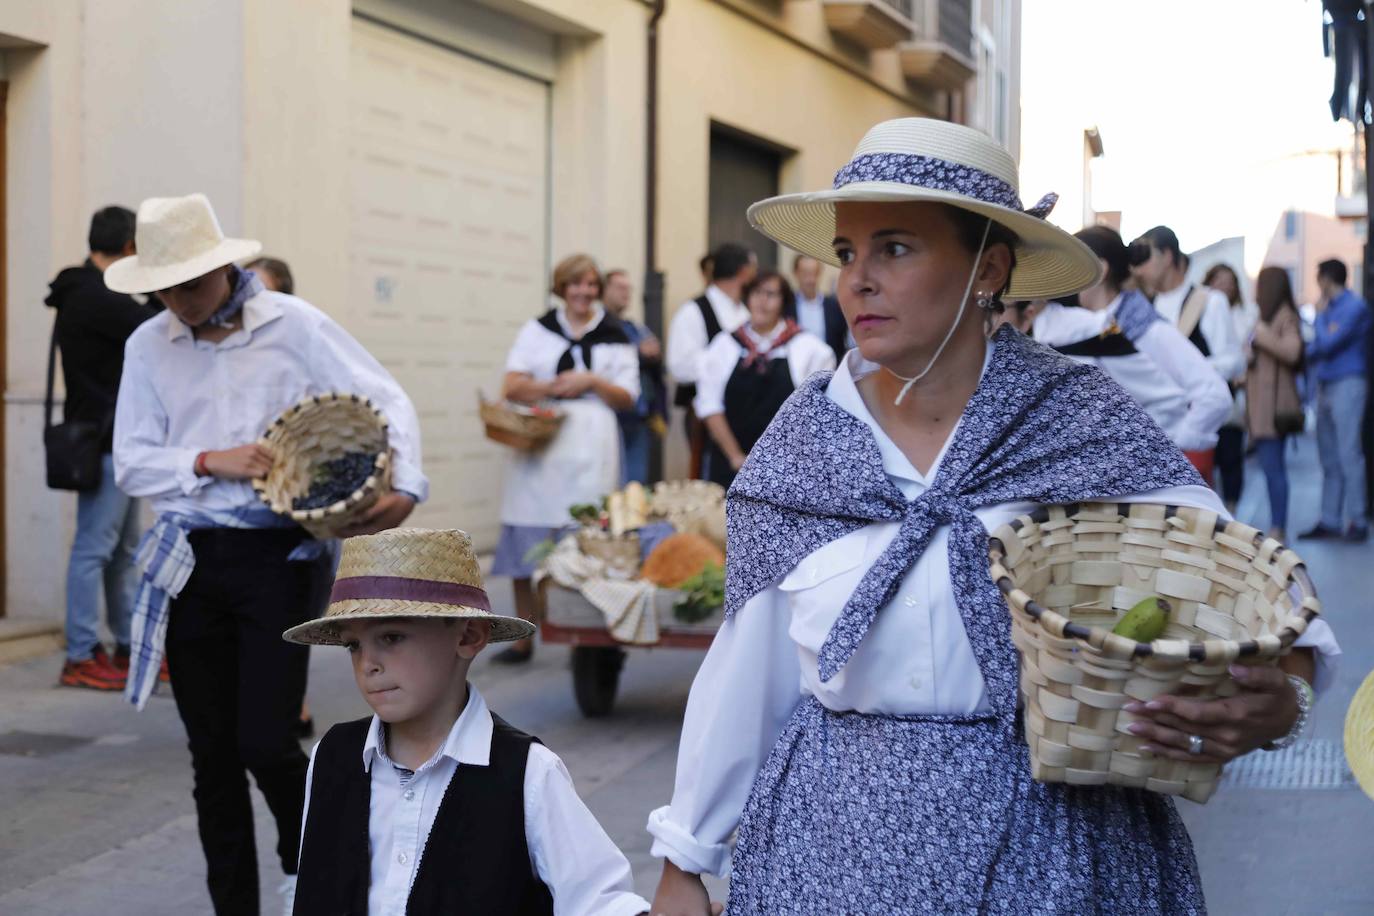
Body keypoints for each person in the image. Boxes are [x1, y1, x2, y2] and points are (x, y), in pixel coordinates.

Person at [646, 118, 1338, 915]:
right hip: (834, 856)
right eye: (846, 254)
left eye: (894, 248)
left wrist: (1287, 698)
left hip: (1058, 857)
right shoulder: (806, 444)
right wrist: (683, 862)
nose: (856, 281)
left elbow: (1255, 591)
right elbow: (749, 668)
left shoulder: (1076, 421)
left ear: (991, 267)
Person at [109, 193, 427, 915]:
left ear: (226, 268)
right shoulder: (145, 347)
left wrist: (405, 489)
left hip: (278, 556)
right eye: (166, 288)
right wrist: (206, 460)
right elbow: (130, 461)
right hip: (189, 558)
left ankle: (309, 873)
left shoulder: (294, 325)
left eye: (193, 283)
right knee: (210, 758)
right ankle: (235, 906)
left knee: (266, 741)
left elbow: (386, 398)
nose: (181, 301)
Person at [286, 528, 650, 915]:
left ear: (469, 636)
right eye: (353, 645)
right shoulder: (333, 756)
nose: (368, 664)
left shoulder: (528, 773)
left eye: (391, 637)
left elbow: (598, 899)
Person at [492, 254, 638, 663]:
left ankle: (588, 632)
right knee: (527, 531)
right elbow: (512, 384)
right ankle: (523, 634)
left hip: (593, 443)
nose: (584, 292)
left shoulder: (615, 334)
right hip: (544, 440)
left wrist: (591, 381)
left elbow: (629, 397)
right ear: (562, 287)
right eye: (576, 284)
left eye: (591, 285)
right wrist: (551, 387)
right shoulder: (538, 331)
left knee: (590, 536)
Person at [45, 206, 159, 690]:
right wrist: (158, 278)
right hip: (107, 440)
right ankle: (80, 653)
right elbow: (155, 326)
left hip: (118, 440)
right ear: (130, 248)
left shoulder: (87, 293)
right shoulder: (94, 297)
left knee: (121, 549)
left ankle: (128, 646)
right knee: (95, 548)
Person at [1033, 226, 1232, 476]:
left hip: (1152, 476)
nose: (1066, 276)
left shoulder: (1143, 327)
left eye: (1074, 265)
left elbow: (1214, 395)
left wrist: (1174, 446)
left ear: (1101, 269)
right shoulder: (1090, 324)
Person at [695, 270, 835, 489]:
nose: (762, 301)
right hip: (731, 466)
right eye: (756, 293)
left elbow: (815, 415)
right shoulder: (724, 345)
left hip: (788, 470)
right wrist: (736, 457)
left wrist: (779, 463)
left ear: (784, 301)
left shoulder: (809, 349)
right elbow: (709, 406)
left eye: (770, 294)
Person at [666, 244, 756, 479]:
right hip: (707, 418)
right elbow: (679, 366)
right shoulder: (693, 311)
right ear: (744, 272)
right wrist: (723, 366)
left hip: (745, 415)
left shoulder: (746, 311)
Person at [1300, 258, 1371, 541]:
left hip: (1348, 384)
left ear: (1326, 279)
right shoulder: (1331, 310)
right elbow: (1315, 349)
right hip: (1327, 384)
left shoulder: (1355, 307)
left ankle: (1357, 520)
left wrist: (1318, 317)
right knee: (1329, 456)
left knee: (1349, 453)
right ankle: (1330, 519)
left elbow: (1326, 345)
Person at [1129, 226, 1245, 387]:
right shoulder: (1143, 308)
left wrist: (1185, 369)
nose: (1139, 270)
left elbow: (1232, 361)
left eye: (1145, 257)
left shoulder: (1210, 301)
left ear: (1167, 256)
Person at [1246, 267, 1306, 541]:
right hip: (1261, 406)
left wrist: (1262, 336)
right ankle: (1276, 525)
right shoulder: (1265, 317)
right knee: (1271, 468)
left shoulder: (1284, 316)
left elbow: (1293, 352)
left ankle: (1278, 527)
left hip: (1273, 409)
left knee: (1274, 469)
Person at [1203, 263, 1258, 513]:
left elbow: (1243, 355)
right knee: (1205, 458)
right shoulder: (1199, 311)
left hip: (1234, 393)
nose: (1224, 286)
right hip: (1204, 393)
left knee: (1231, 456)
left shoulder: (1247, 314)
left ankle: (1231, 510)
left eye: (1229, 281)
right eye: (1219, 280)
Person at [603, 268, 667, 484]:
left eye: (628, 289)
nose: (626, 293)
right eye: (620, 288)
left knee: (635, 484)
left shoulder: (635, 328)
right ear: (604, 290)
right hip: (611, 416)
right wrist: (638, 354)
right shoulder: (597, 327)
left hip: (639, 417)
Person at [787, 255, 849, 362]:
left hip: (830, 369)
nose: (810, 279)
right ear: (796, 274)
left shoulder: (833, 306)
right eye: (805, 273)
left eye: (814, 273)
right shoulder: (787, 306)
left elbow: (841, 341)